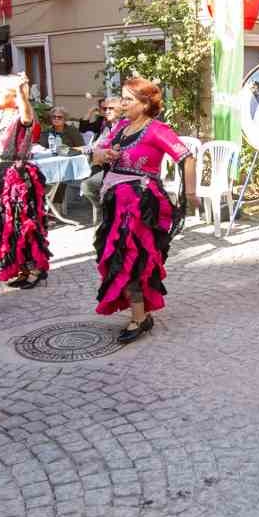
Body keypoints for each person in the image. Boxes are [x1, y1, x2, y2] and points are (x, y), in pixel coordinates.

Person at [89, 78, 198, 342]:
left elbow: (187, 157)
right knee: (120, 256)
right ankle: (141, 314)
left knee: (130, 257)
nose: (122, 103)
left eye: (129, 99)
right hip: (116, 203)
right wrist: (103, 156)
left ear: (145, 103)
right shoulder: (121, 128)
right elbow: (96, 153)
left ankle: (139, 318)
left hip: (139, 206)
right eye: (122, 98)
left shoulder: (157, 130)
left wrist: (191, 194)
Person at [0, 72, 50, 289]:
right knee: (7, 223)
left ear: (13, 95)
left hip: (18, 174)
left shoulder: (21, 115)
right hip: (1, 172)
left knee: (24, 221)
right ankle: (22, 268)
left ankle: (35, 268)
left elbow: (27, 117)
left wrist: (21, 92)